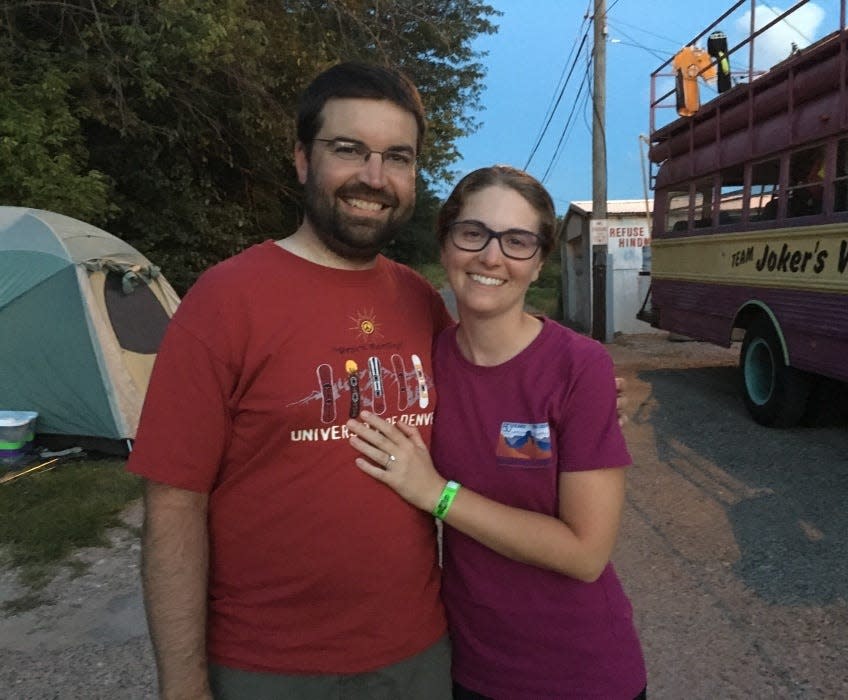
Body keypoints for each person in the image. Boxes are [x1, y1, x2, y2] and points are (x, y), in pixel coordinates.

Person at [128, 62, 454, 699]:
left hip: (418, 654)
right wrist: (183, 686)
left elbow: (494, 408)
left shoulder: (421, 302)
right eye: (348, 150)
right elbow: (173, 506)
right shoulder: (225, 301)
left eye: (397, 157)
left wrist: (568, 393)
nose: (374, 177)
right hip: (266, 668)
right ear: (302, 159)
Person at [347, 165, 648, 699]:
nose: (491, 256)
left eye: (517, 241)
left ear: (538, 265)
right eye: (473, 233)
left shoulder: (579, 367)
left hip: (579, 675)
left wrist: (436, 495)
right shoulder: (426, 361)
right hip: (468, 669)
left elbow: (585, 553)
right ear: (445, 247)